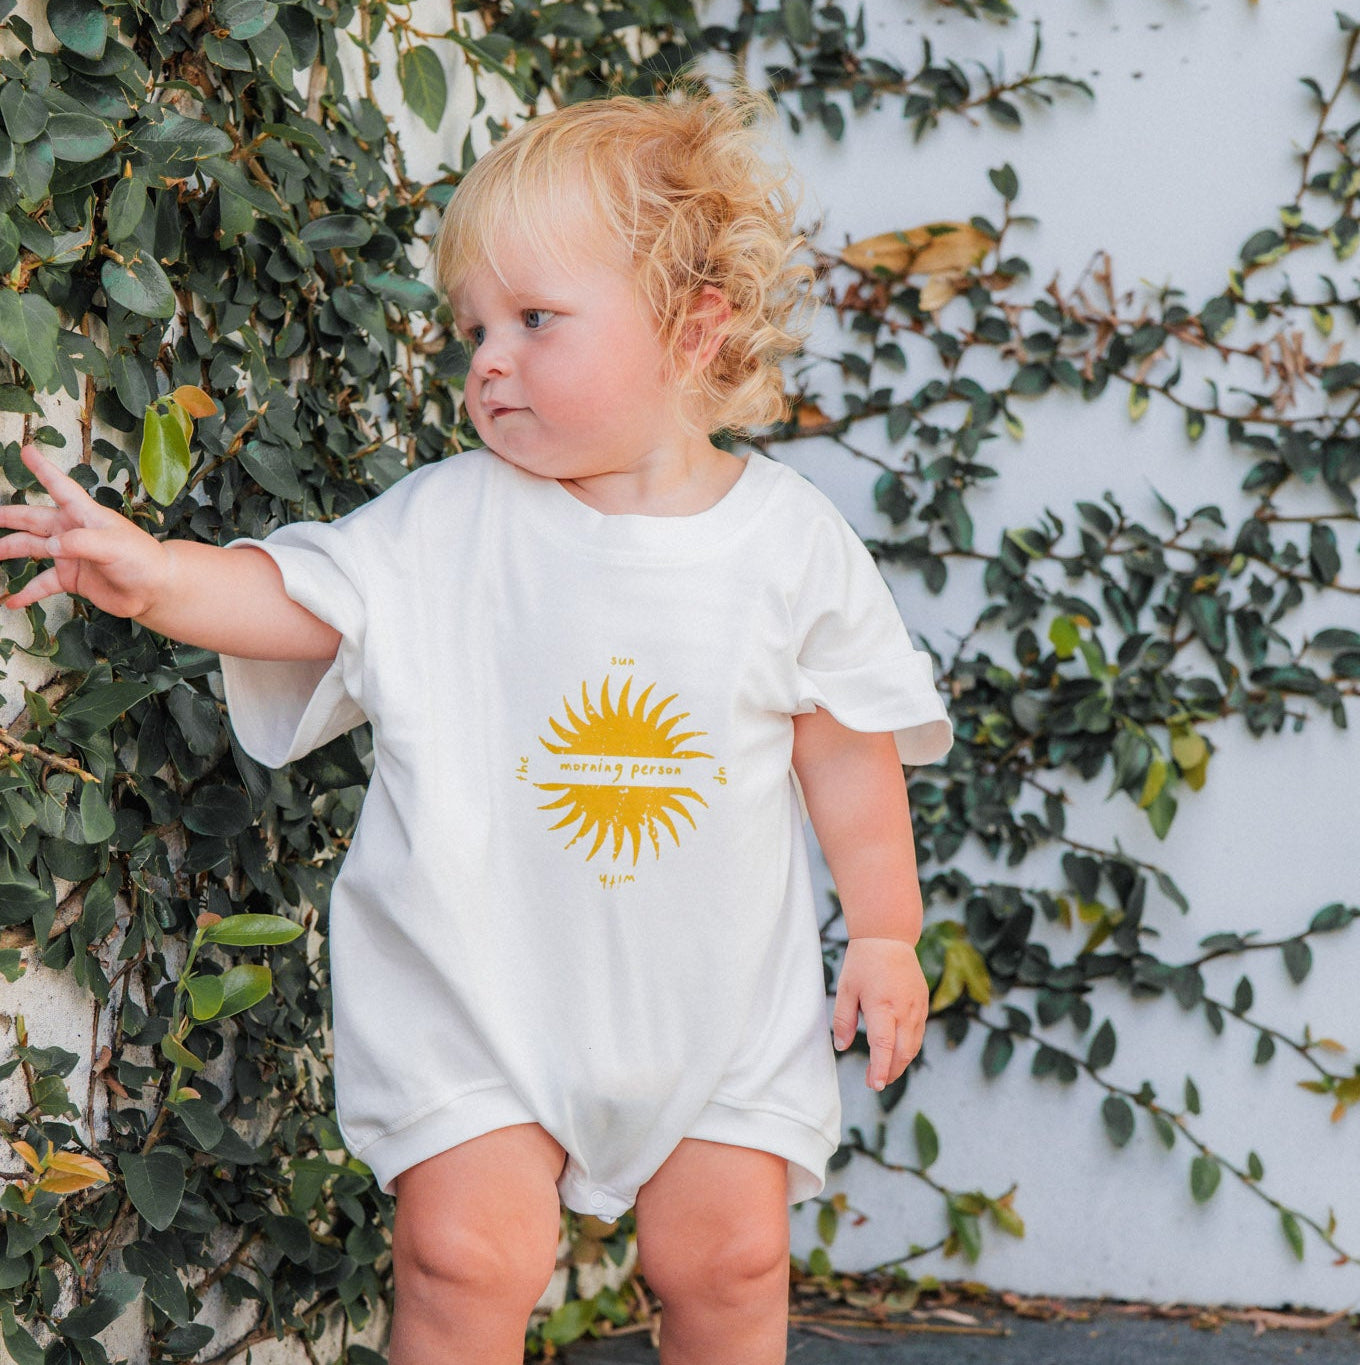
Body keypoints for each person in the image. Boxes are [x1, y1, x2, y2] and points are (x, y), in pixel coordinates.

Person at [0, 90, 952, 1365]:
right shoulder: (451, 519)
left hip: (719, 1004)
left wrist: (886, 928)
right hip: (480, 988)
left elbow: (846, 742)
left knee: (728, 1266)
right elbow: (302, 600)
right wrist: (156, 573)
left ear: (692, 327)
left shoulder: (789, 544)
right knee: (463, 1260)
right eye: (473, 330)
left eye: (535, 320)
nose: (488, 360)